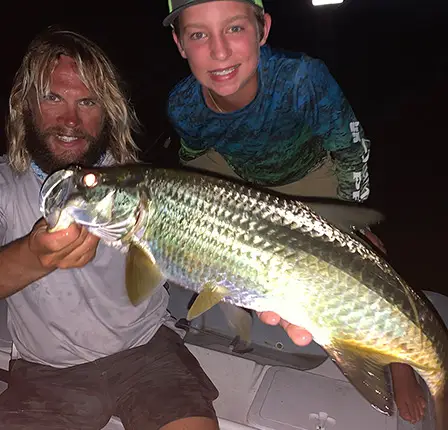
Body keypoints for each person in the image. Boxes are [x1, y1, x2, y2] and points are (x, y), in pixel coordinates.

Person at [163, 0, 426, 424]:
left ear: (262, 29)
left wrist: (350, 222)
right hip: (237, 175)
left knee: (362, 258)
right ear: (179, 43)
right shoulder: (182, 105)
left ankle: (399, 363)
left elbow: (350, 148)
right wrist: (203, 222)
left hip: (310, 171)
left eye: (233, 29)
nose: (219, 51)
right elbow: (196, 160)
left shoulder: (303, 78)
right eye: (198, 34)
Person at [0, 27, 224, 430]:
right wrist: (32, 257)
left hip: (148, 352)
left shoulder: (142, 183)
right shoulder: (3, 184)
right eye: (54, 97)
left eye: (87, 101)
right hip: (46, 371)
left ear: (108, 111)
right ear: (25, 104)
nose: (70, 119)